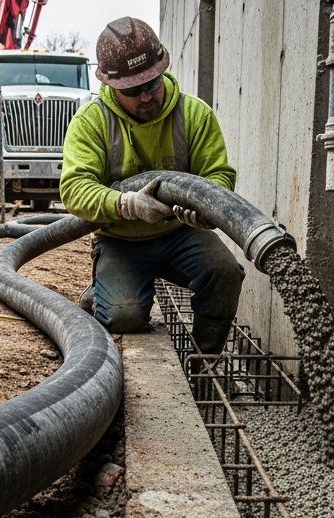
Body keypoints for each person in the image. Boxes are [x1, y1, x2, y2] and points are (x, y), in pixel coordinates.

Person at [59, 17, 243, 355]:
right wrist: (126, 204)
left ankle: (204, 361)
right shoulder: (92, 122)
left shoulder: (194, 115)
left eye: (152, 83)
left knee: (225, 272)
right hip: (122, 239)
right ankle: (104, 290)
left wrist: (205, 210)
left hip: (180, 234)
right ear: (112, 86)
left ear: (162, 70)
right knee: (124, 316)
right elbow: (74, 188)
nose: (146, 96)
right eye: (132, 90)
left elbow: (218, 176)